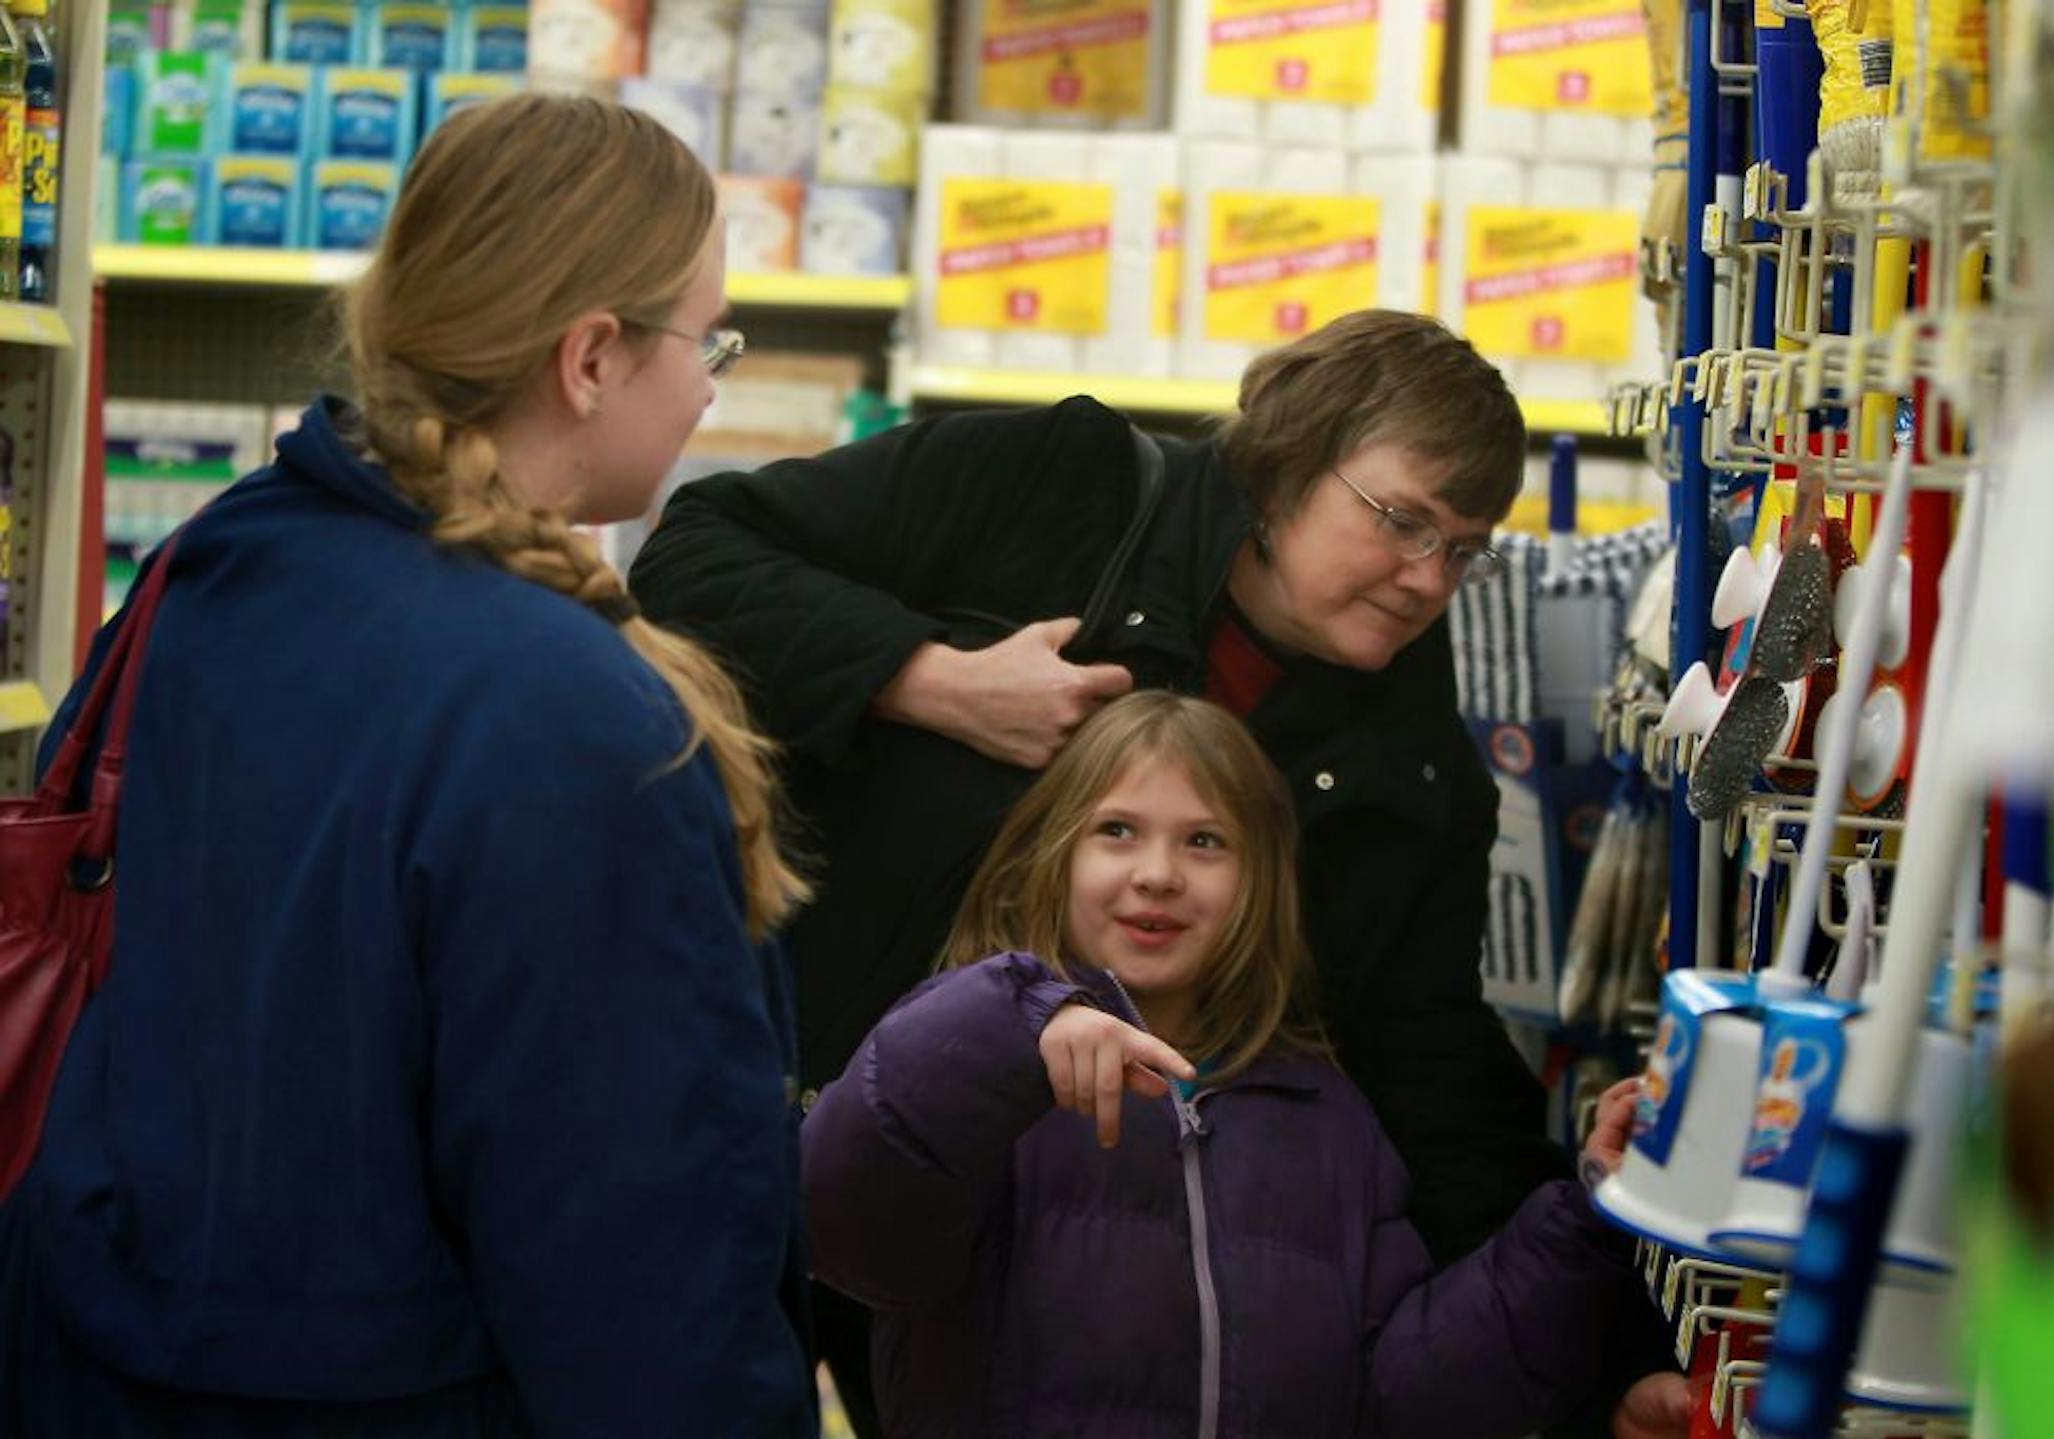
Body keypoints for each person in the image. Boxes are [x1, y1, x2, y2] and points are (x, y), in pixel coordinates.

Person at [629, 308, 1669, 1428]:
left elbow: (1430, 1071)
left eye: (1464, 548)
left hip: (1095, 1250)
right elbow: (693, 557)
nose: (1427, 578)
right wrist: (932, 678)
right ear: (1282, 470)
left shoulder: (1415, 765)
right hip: (799, 1126)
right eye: (1400, 521)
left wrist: (1598, 1355)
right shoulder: (1065, 484)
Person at [0, 95, 816, 1437]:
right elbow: (637, 1269)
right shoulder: (586, 722)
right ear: (593, 357)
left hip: (107, 1347)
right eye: (708, 335)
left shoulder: (224, 560)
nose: (712, 378)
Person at [801, 691, 1686, 1437]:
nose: (1157, 874)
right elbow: (849, 1224)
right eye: (1117, 830)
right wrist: (1011, 1022)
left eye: (1204, 842)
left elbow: (1404, 1392)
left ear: (1260, 882)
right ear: (1054, 856)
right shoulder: (974, 1077)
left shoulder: (1325, 1114)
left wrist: (1590, 1211)